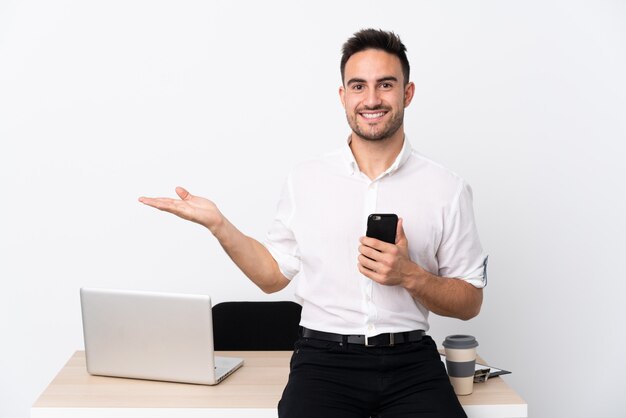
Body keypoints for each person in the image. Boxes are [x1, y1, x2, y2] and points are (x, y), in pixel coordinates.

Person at [139, 28, 488, 418]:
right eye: (358, 86)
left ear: (407, 93)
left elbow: (470, 301)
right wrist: (219, 225)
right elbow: (272, 276)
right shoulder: (306, 179)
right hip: (324, 363)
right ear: (343, 96)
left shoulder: (447, 188)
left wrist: (410, 276)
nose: (371, 99)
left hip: (411, 363)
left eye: (385, 85)